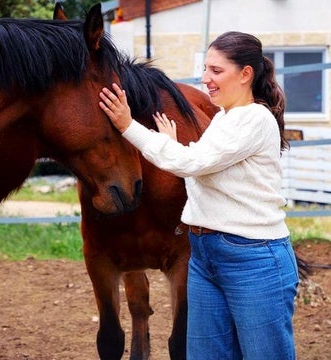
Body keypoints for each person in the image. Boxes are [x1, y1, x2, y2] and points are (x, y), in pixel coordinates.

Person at [98, 31, 299, 360]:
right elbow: (201, 173)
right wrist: (174, 147)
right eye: (206, 69)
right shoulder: (223, 118)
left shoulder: (255, 119)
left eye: (216, 71)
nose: (206, 79)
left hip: (252, 258)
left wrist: (127, 125)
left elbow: (191, 164)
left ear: (245, 74)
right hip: (205, 254)